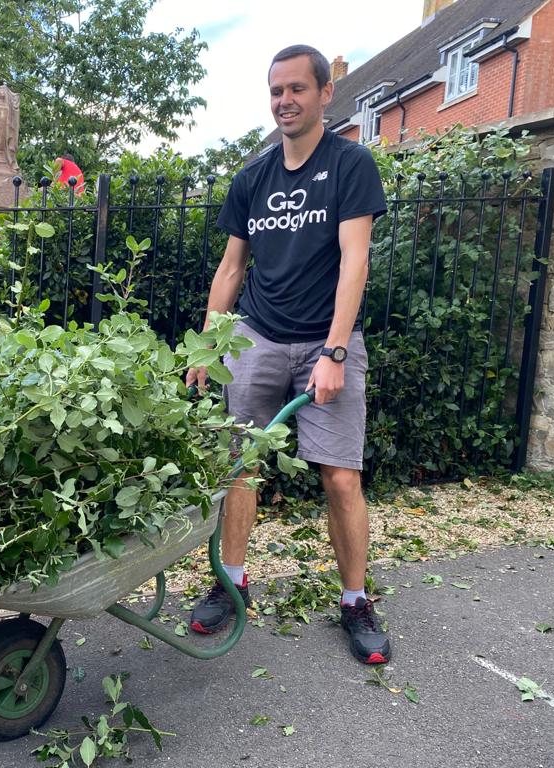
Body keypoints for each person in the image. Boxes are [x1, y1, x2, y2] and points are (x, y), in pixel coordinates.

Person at [185, 44, 390, 664]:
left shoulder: (351, 164)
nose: (285, 101)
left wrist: (333, 350)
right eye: (276, 91)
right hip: (258, 338)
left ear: (326, 94)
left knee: (341, 476)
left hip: (328, 340)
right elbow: (230, 267)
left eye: (297, 89)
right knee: (238, 467)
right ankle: (231, 583)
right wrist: (208, 343)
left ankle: (355, 600)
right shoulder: (253, 177)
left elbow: (355, 261)